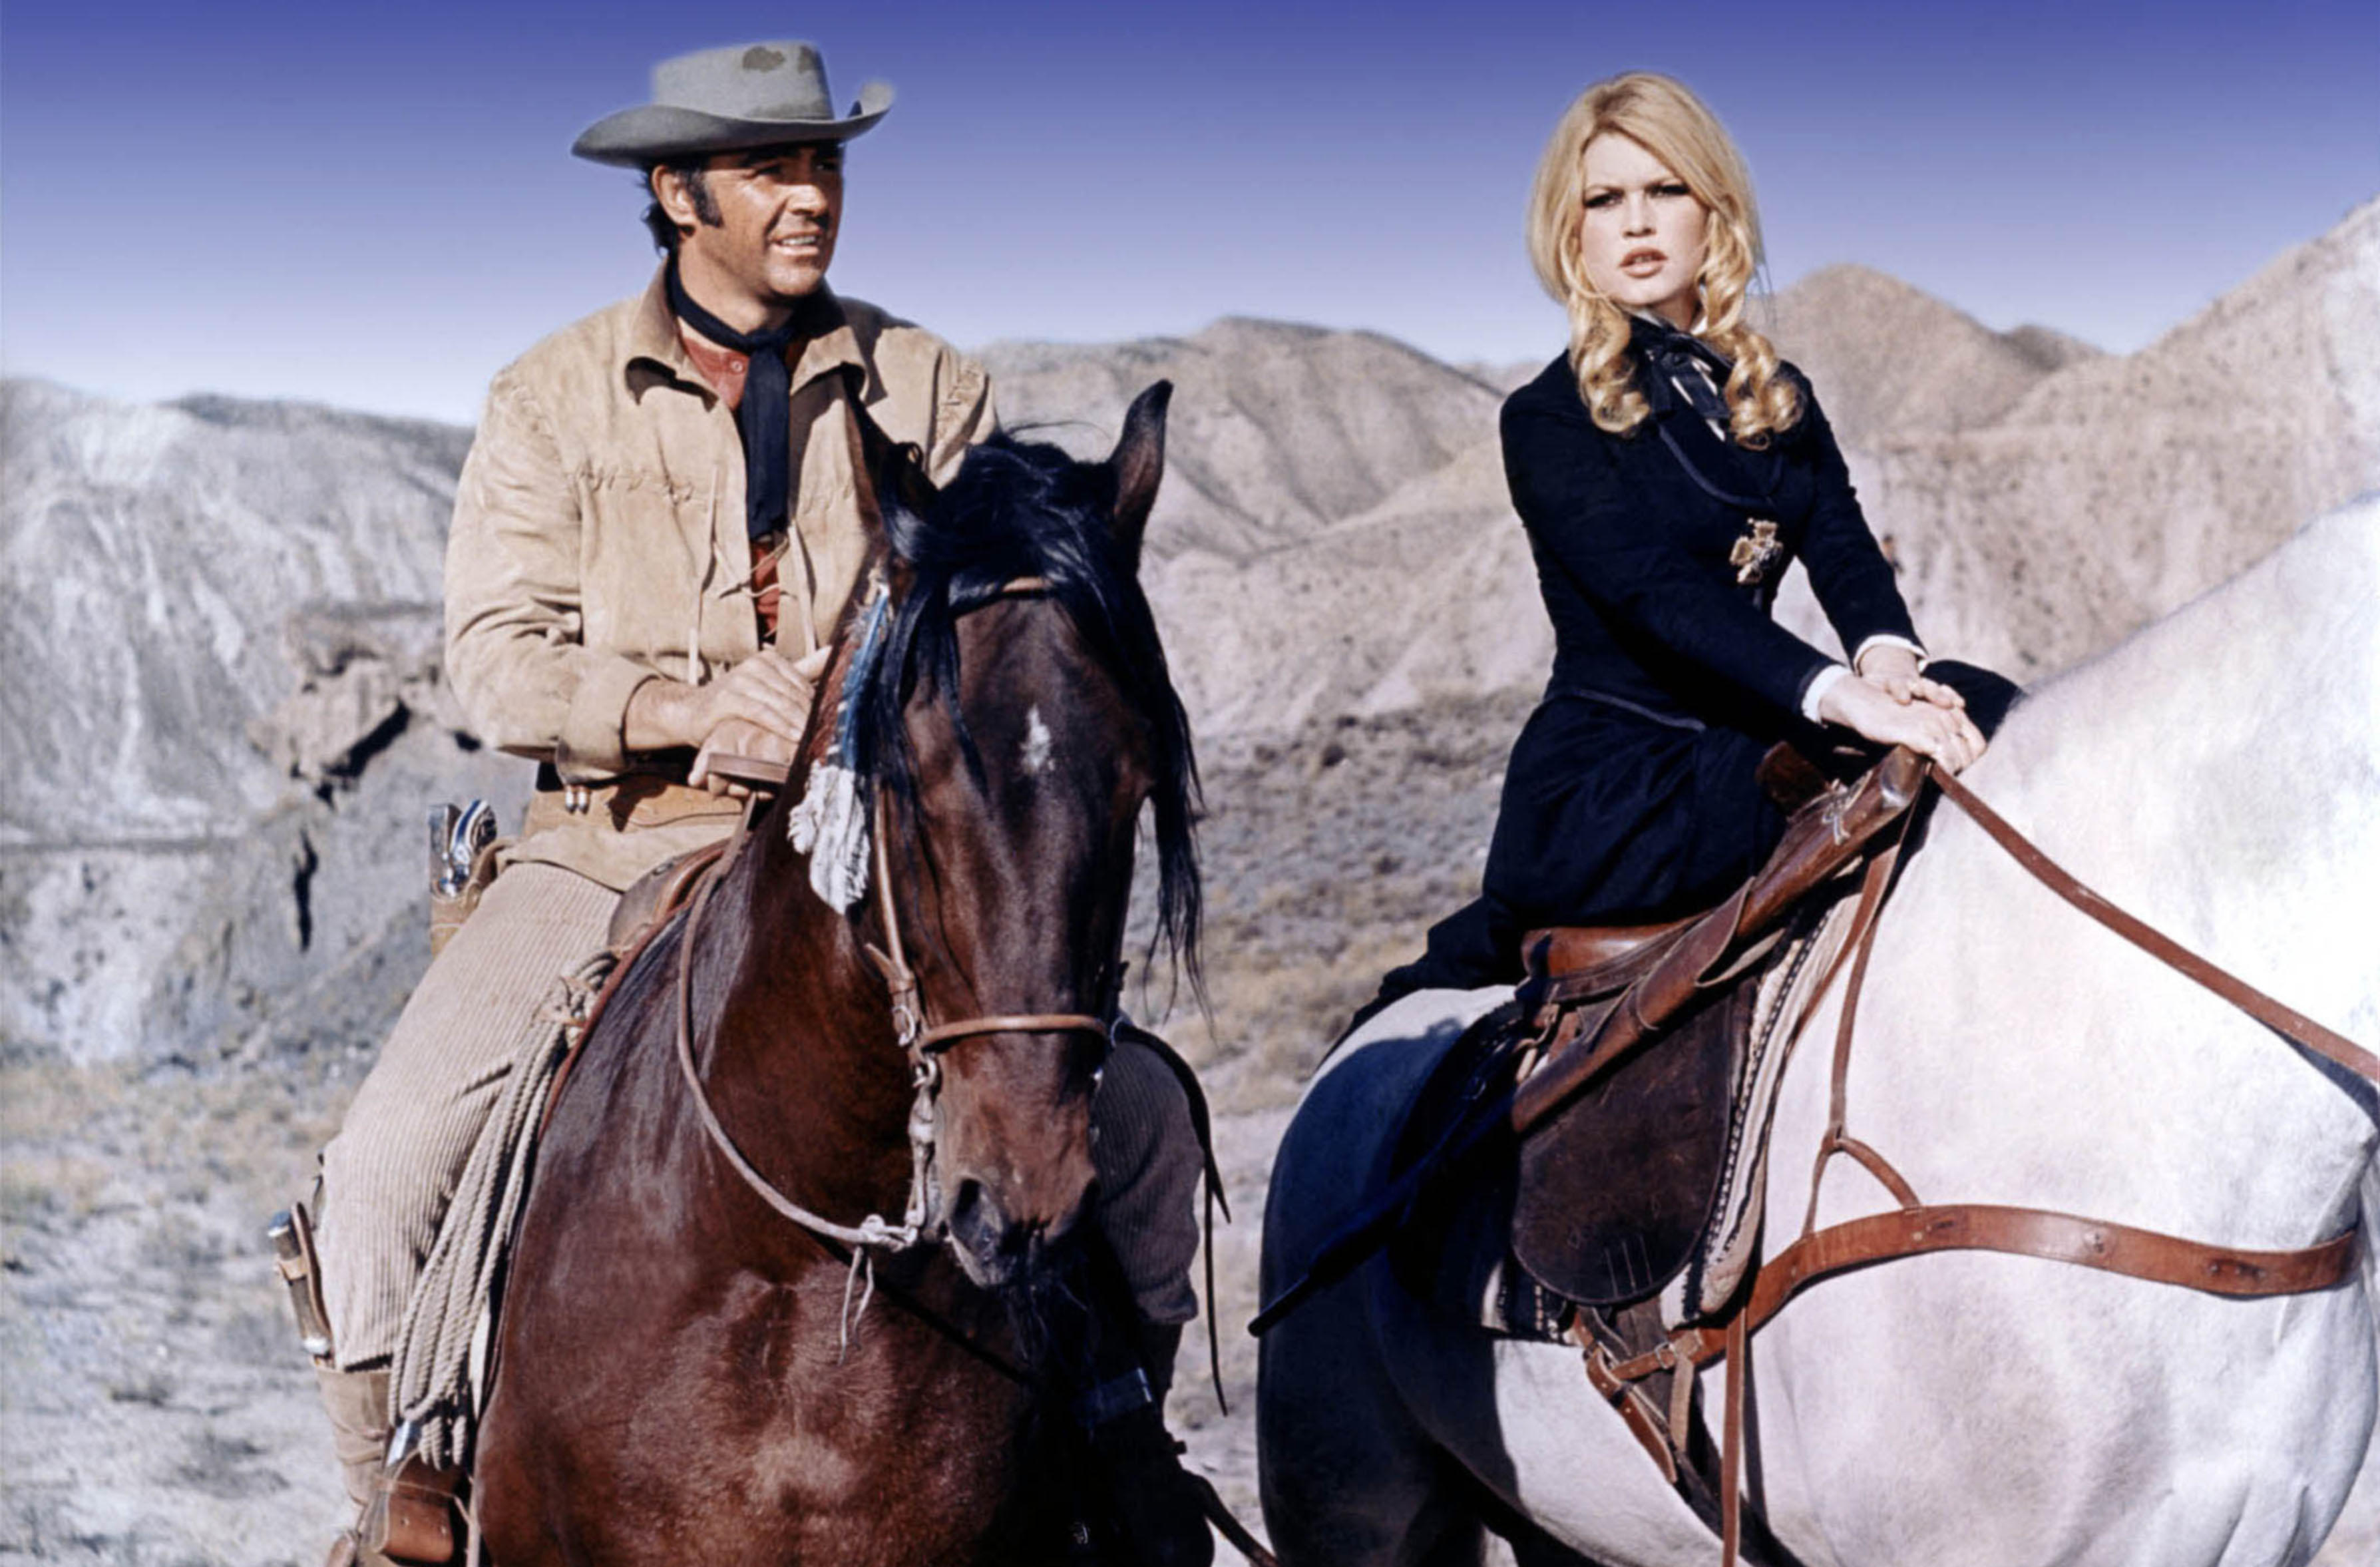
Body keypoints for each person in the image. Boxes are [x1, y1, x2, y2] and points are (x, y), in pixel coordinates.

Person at [297, 42, 1211, 1567]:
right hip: (613, 843)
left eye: (826, 164)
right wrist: (680, 706)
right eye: (773, 169)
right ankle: (411, 1490)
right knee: (386, 1169)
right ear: (677, 194)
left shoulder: (931, 382)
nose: (810, 195)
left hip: (871, 846)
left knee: (1153, 1130)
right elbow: (495, 661)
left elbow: (991, 628)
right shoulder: (550, 398)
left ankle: (1117, 1429)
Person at [1379, 71, 2016, 1001]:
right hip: (1617, 788)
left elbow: (1840, 541)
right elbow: (1661, 600)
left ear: (1711, 210)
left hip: (1750, 740)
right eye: (1606, 199)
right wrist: (1842, 697)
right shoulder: (1545, 419)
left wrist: (1887, 662)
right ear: (1573, 231)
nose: (1637, 223)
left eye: (1665, 189)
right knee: (1865, 767)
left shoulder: (1776, 391)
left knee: (1979, 700)